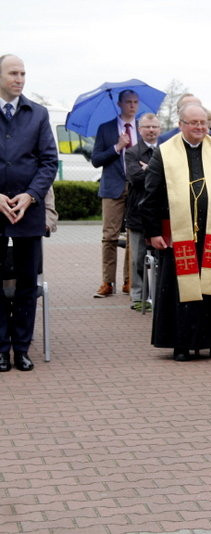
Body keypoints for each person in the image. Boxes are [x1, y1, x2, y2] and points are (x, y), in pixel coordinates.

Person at [140, 104, 211, 361]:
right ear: (181, 125)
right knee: (182, 291)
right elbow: (151, 194)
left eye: (203, 123)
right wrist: (154, 231)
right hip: (179, 235)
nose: (200, 127)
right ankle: (182, 344)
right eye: (194, 123)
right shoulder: (165, 153)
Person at [0, 54, 58, 372]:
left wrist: (32, 195)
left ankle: (21, 348)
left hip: (28, 214)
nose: (19, 79)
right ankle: (0, 349)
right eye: (13, 73)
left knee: (26, 284)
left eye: (23, 73)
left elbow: (48, 161)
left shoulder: (38, 114)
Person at [91, 89, 138, 298]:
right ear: (119, 104)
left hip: (136, 188)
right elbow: (96, 160)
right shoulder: (106, 128)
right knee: (109, 236)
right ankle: (107, 282)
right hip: (112, 188)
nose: (132, 106)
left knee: (133, 235)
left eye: (135, 102)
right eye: (128, 102)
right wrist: (117, 147)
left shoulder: (142, 127)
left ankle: (130, 280)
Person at [124, 113, 161, 311]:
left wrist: (148, 168)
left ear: (160, 129)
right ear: (139, 129)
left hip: (159, 213)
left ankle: (159, 295)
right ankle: (138, 296)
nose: (151, 130)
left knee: (160, 257)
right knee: (137, 258)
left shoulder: (165, 150)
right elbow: (135, 178)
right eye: (147, 127)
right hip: (137, 212)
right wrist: (154, 170)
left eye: (154, 126)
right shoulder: (132, 153)